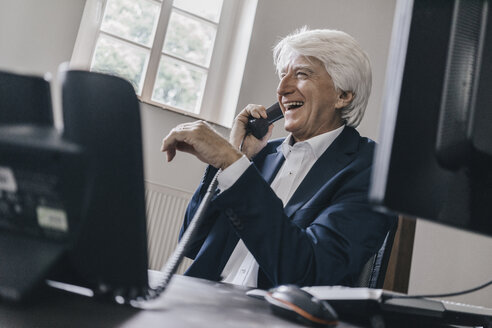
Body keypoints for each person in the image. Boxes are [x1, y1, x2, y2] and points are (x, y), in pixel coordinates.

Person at [161, 27, 396, 289]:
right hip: (202, 298)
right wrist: (232, 158)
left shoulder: (372, 168)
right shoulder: (258, 157)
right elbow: (191, 243)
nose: (282, 89)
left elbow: (310, 272)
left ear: (343, 95)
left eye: (301, 74)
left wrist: (234, 166)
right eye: (282, 75)